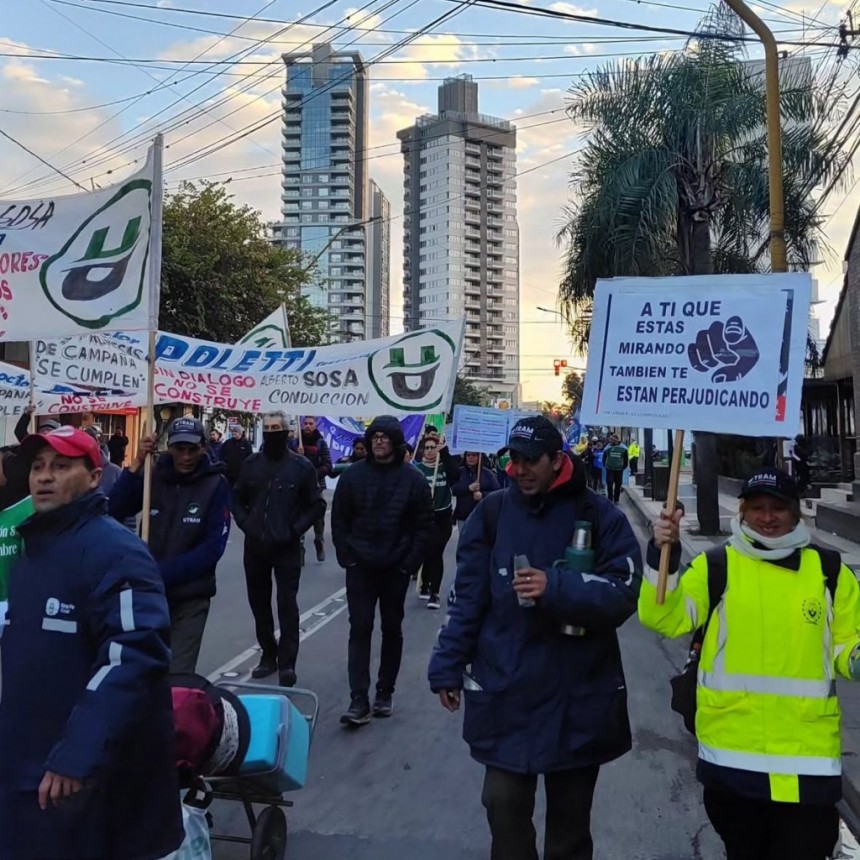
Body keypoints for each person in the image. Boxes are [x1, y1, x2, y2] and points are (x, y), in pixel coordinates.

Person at [428, 415, 642, 860]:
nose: (519, 469)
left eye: (531, 461)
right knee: (501, 804)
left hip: (578, 696)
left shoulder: (599, 516)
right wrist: (447, 664)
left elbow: (624, 593)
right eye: (514, 459)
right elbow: (466, 599)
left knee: (569, 829)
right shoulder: (492, 514)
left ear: (557, 460)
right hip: (507, 691)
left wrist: (556, 587)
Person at [639, 467, 860, 860]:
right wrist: (662, 554)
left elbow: (845, 648)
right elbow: (664, 619)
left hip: (807, 761)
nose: (767, 517)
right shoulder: (716, 567)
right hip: (732, 760)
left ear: (796, 512)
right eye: (757, 507)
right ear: (742, 512)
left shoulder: (830, 572)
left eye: (778, 507)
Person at [0, 426, 182, 860]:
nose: (45, 477)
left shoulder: (116, 552)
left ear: (95, 477)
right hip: (27, 764)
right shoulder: (31, 554)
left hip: (87, 776)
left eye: (61, 467)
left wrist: (77, 753)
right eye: (38, 467)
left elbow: (133, 657)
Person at [331, 416, 434, 725]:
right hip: (360, 566)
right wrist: (347, 557)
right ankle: (358, 700)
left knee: (391, 629)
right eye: (374, 436)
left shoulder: (413, 480)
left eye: (384, 436)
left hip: (395, 567)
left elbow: (423, 526)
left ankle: (384, 692)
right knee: (360, 628)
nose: (378, 441)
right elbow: (339, 519)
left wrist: (408, 565)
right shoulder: (353, 476)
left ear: (395, 441)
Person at [109, 416, 231, 674]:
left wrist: (163, 572)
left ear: (203, 447)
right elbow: (114, 509)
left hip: (191, 597)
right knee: (143, 673)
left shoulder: (215, 485)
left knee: (177, 676)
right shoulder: (154, 476)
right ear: (169, 448)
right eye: (179, 448)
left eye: (192, 449)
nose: (185, 456)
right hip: (149, 596)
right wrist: (137, 463)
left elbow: (212, 548)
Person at [232, 411, 325, 687]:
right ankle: (268, 654)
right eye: (268, 427)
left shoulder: (301, 466)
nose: (272, 432)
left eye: (277, 428)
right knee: (259, 604)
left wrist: (294, 530)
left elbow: (316, 505)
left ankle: (287, 663)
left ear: (286, 432)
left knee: (287, 606)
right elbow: (236, 498)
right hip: (255, 546)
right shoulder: (251, 464)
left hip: (286, 547)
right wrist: (247, 524)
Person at [290, 416, 333, 562]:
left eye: (311, 423)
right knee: (299, 517)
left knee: (318, 517)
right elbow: (287, 462)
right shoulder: (295, 443)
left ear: (315, 425)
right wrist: (296, 454)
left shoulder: (320, 443)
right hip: (298, 487)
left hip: (316, 486)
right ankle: (300, 550)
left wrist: (313, 475)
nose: (308, 426)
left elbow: (328, 465)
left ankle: (319, 540)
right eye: (306, 423)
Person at [452, 451, 499, 527]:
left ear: (479, 456)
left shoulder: (487, 473)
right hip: (464, 516)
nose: (471, 457)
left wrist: (482, 495)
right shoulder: (459, 472)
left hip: (482, 516)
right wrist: (468, 488)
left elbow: (496, 492)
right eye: (468, 455)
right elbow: (454, 490)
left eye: (474, 455)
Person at [220, 423, 253, 487]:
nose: (233, 433)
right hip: (228, 473)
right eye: (233, 431)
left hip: (240, 473)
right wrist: (223, 464)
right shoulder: (228, 443)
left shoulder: (246, 444)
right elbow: (221, 453)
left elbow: (250, 457)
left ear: (240, 433)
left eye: (235, 431)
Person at [603, 434, 628, 504]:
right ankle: (610, 498)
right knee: (609, 483)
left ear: (615, 440)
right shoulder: (608, 447)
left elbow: (625, 458)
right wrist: (605, 465)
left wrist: (624, 466)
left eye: (611, 439)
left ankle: (616, 499)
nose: (610, 441)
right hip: (609, 468)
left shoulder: (623, 448)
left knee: (618, 484)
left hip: (619, 469)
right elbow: (604, 457)